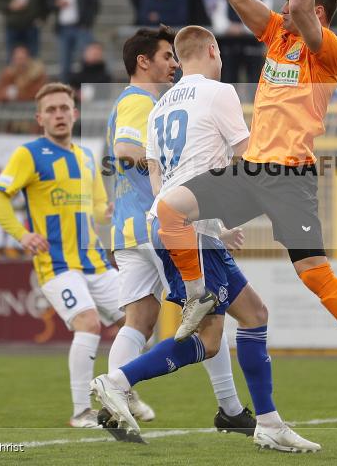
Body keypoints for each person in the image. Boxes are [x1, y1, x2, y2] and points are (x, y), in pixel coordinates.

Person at [154, 0, 337, 413]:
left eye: (289, 0)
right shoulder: (278, 36)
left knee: (314, 274)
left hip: (291, 176)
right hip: (251, 170)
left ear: (318, 11)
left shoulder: (328, 51)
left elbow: (303, 6)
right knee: (170, 209)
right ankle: (198, 295)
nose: (282, 6)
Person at [92, 25, 320, 453]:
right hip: (190, 235)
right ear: (213, 50)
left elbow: (160, 179)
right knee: (211, 337)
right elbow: (248, 157)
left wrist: (212, 223)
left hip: (172, 227)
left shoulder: (161, 107)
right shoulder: (217, 93)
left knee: (252, 313)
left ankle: (265, 421)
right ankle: (118, 382)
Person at [104, 26, 254, 435]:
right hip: (159, 225)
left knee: (139, 321)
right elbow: (125, 150)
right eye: (166, 56)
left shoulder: (148, 103)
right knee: (209, 314)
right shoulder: (141, 100)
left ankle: (113, 404)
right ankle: (228, 407)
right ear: (143, 62)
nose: (173, 63)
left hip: (132, 226)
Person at [0, 82, 134, 430]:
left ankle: (119, 394)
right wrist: (22, 234)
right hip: (56, 264)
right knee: (88, 323)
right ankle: (81, 412)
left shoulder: (86, 156)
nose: (59, 115)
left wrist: (106, 212)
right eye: (51, 110)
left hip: (95, 262)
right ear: (40, 118)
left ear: (74, 113)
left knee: (137, 320)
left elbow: (97, 206)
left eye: (64, 108)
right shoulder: (29, 154)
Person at [52, 0, 100, 84]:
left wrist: (86, 23)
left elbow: (94, 4)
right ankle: (65, 90)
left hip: (81, 28)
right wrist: (57, 3)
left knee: (87, 62)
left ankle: (86, 91)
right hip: (63, 29)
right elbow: (50, 1)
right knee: (64, 64)